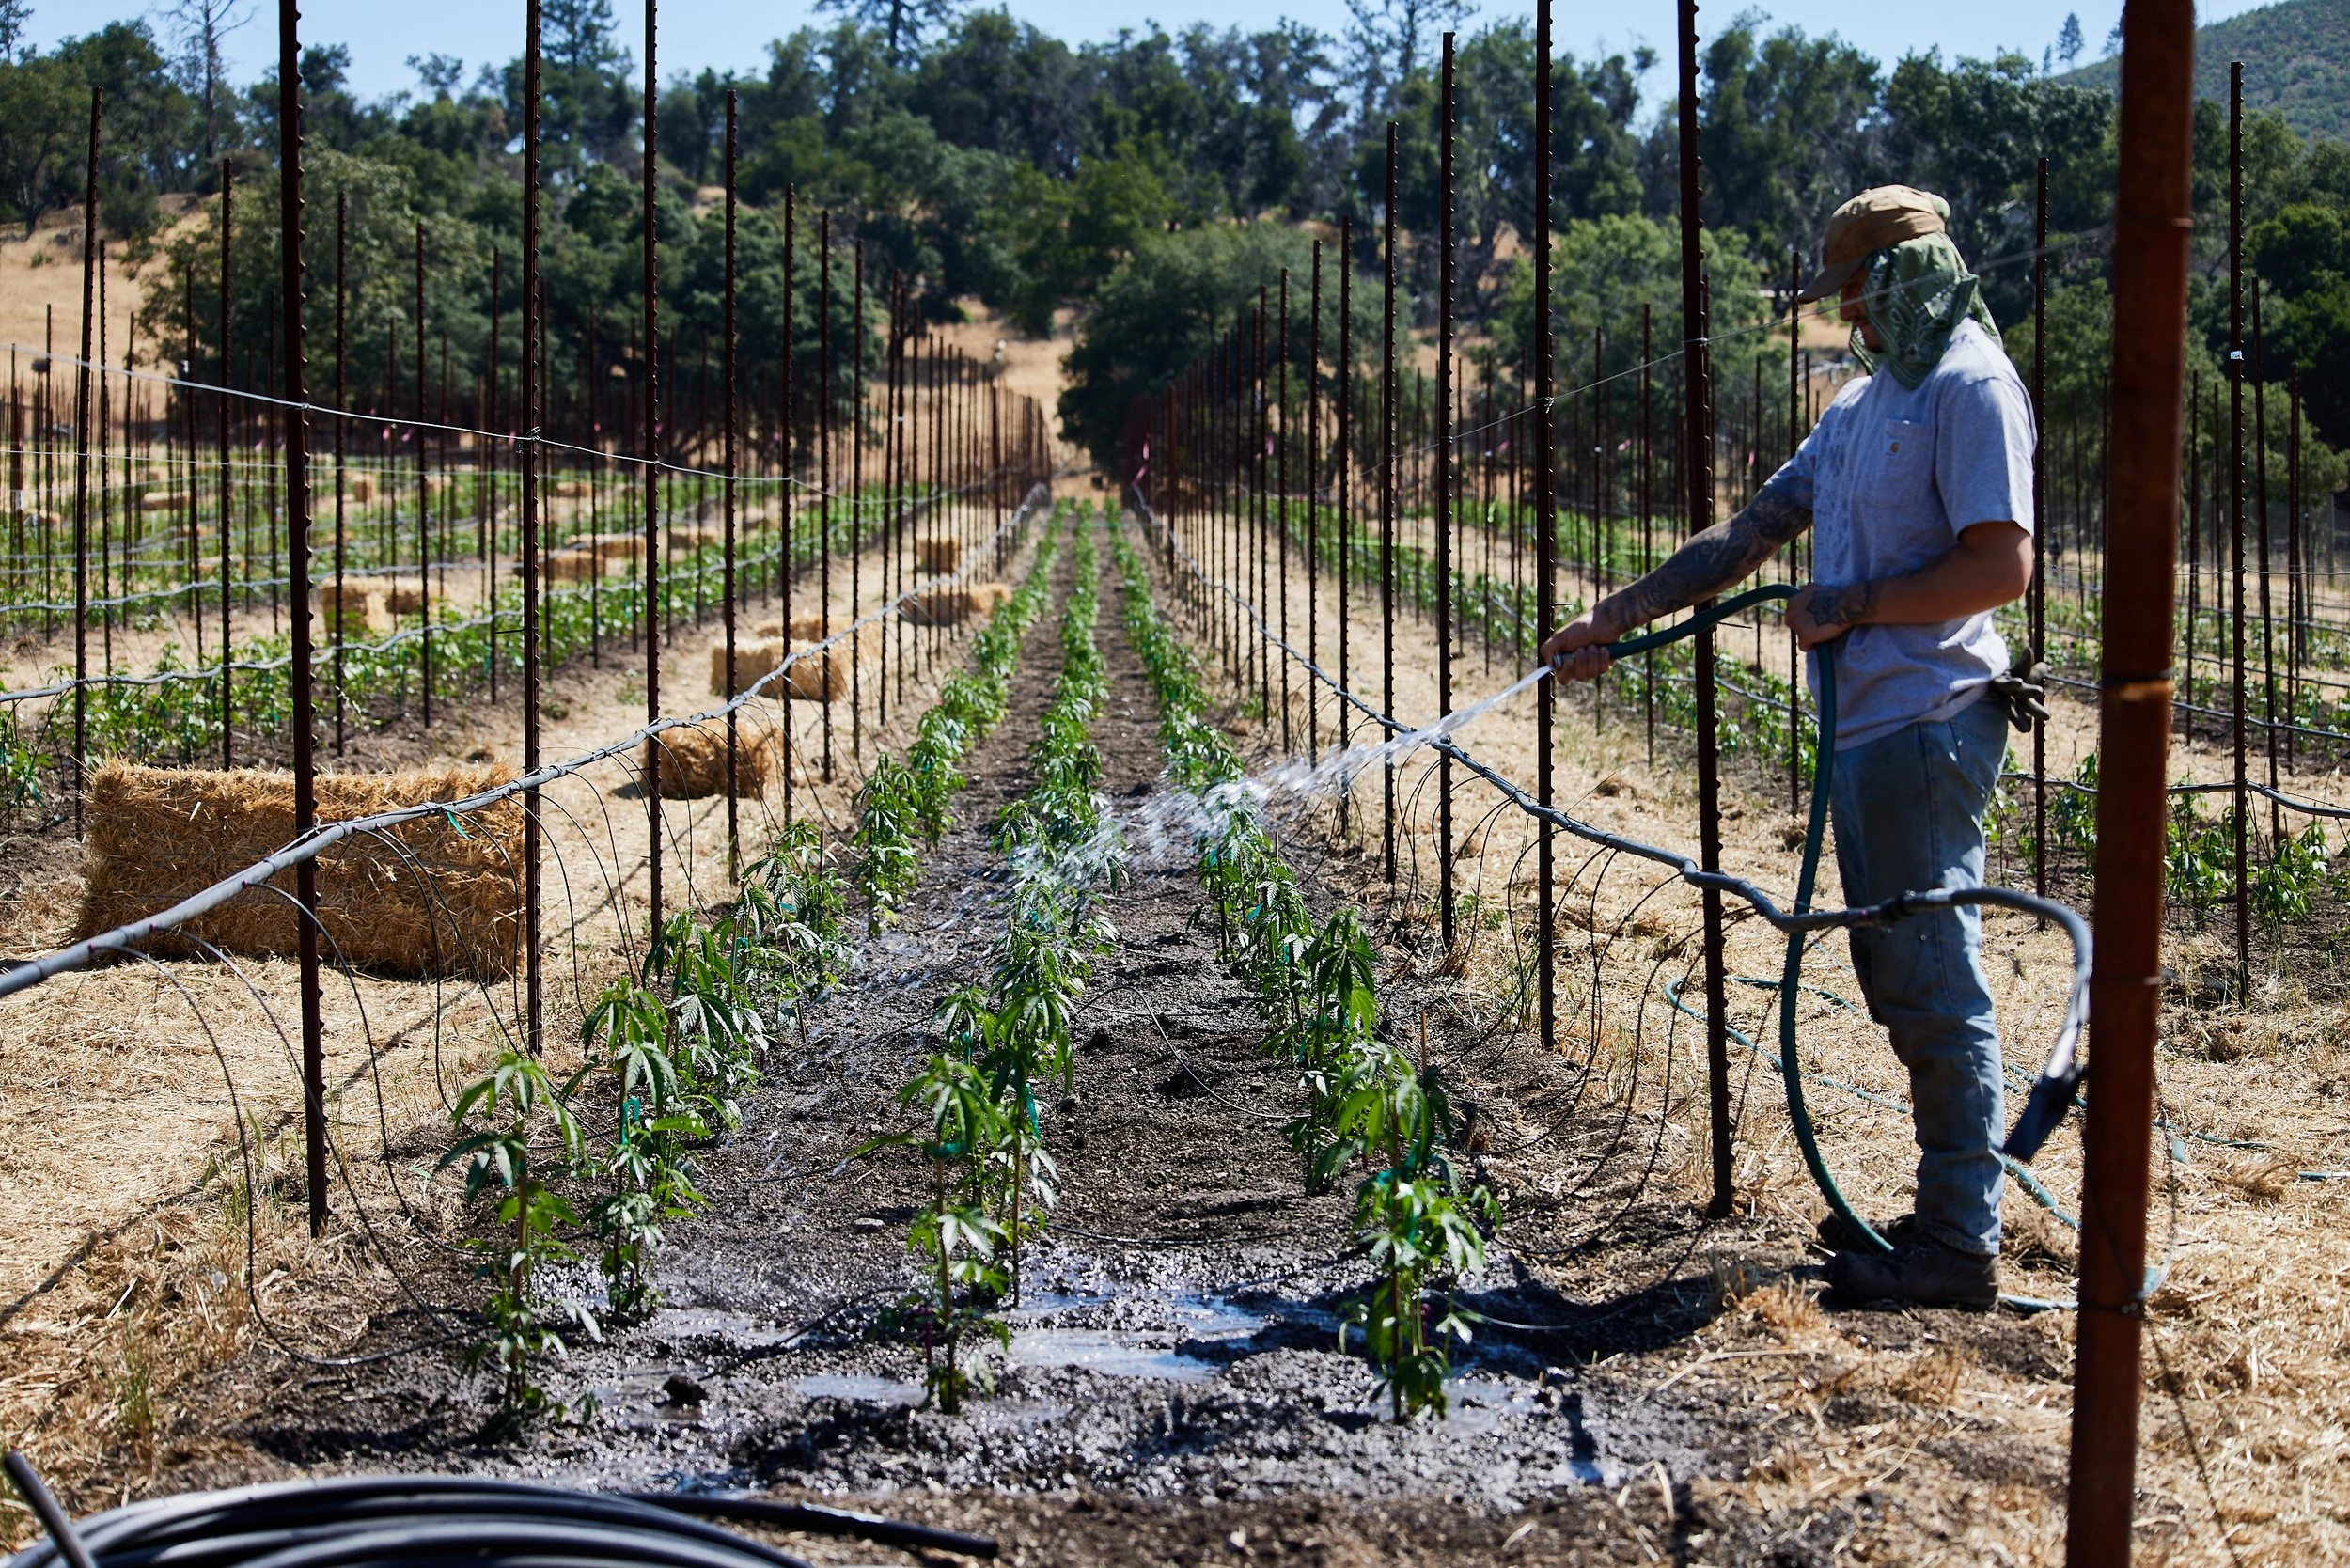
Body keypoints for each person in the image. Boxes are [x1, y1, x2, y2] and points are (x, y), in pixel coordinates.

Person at [1540, 185, 2047, 1309]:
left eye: (1856, 297)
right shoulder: (1864, 409)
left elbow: (1999, 567)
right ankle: (1942, 1214)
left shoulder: (1971, 385)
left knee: (1933, 979)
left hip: (1927, 718)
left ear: (1900, 278)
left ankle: (1958, 1247)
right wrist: (1611, 622)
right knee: (1899, 975)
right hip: (1867, 728)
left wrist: (1854, 604)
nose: (1850, 322)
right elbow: (1745, 535)